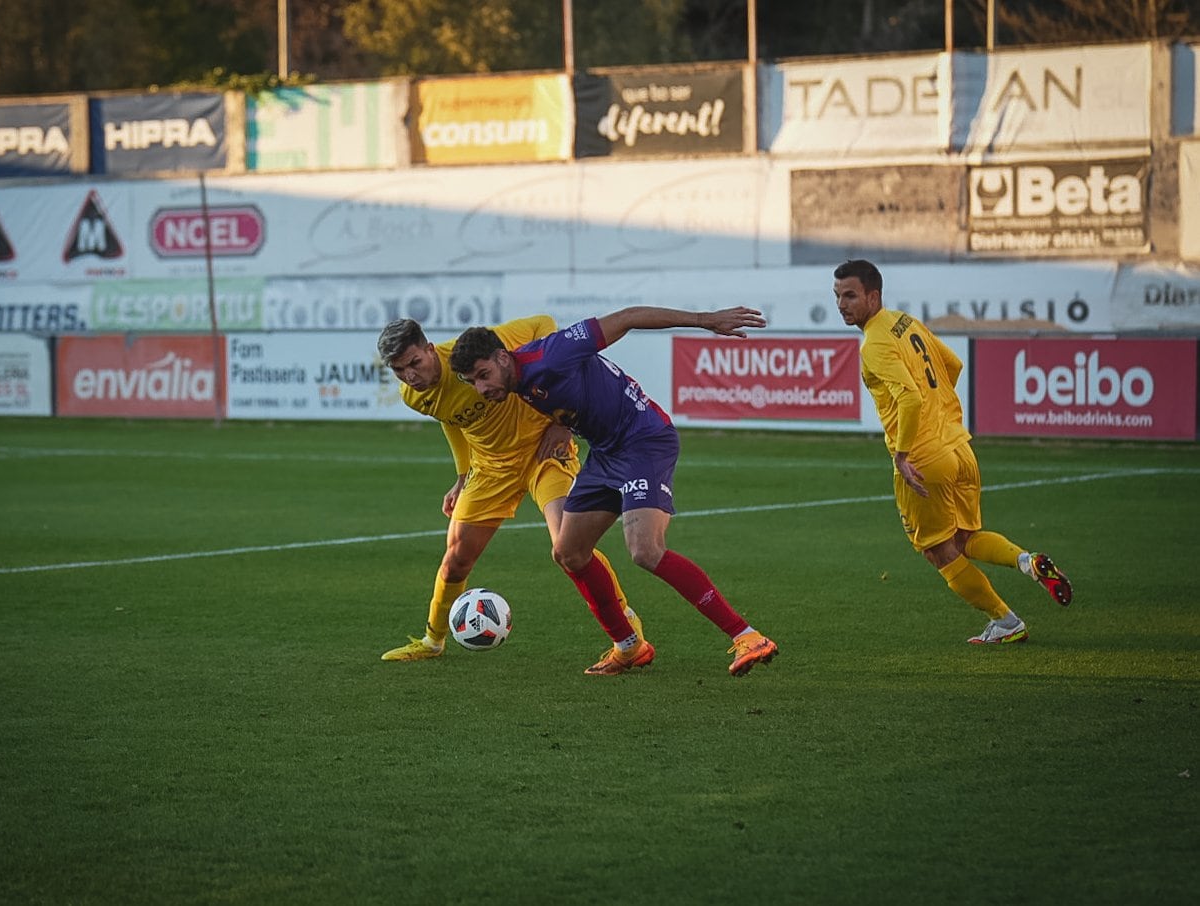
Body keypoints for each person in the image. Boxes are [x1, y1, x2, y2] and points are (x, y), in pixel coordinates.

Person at [448, 307, 779, 677]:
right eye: (471, 381)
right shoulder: (514, 383)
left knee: (645, 551)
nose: (481, 387)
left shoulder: (552, 353)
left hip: (643, 441)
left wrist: (705, 321)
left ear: (502, 357)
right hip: (605, 454)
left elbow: (628, 317)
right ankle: (629, 646)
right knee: (569, 552)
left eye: (483, 375)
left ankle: (747, 636)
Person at [832, 258, 1072, 644]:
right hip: (959, 447)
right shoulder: (905, 321)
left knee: (939, 552)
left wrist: (902, 454)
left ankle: (1007, 622)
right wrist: (939, 410)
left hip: (925, 459)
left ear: (873, 296)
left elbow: (908, 399)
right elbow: (953, 364)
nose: (842, 304)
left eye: (850, 295)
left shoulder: (874, 343)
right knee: (964, 538)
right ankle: (1027, 562)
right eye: (838, 296)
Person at [376, 316, 643, 661]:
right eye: (400, 370)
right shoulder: (414, 395)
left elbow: (543, 325)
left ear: (430, 349)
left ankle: (626, 625)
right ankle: (432, 641)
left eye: (415, 363)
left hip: (543, 453)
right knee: (455, 560)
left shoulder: (466, 355)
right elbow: (453, 421)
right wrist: (462, 475)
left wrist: (562, 422)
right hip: (490, 468)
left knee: (568, 545)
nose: (410, 375)